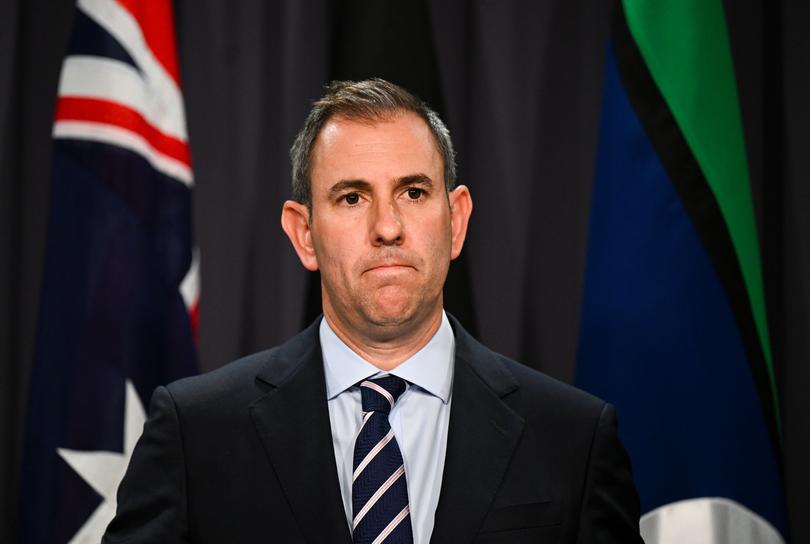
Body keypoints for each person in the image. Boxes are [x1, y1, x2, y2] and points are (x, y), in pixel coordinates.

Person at [103, 79, 643, 543]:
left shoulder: (572, 438)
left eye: (412, 191)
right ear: (304, 233)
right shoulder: (196, 434)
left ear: (455, 220)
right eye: (352, 197)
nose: (387, 227)